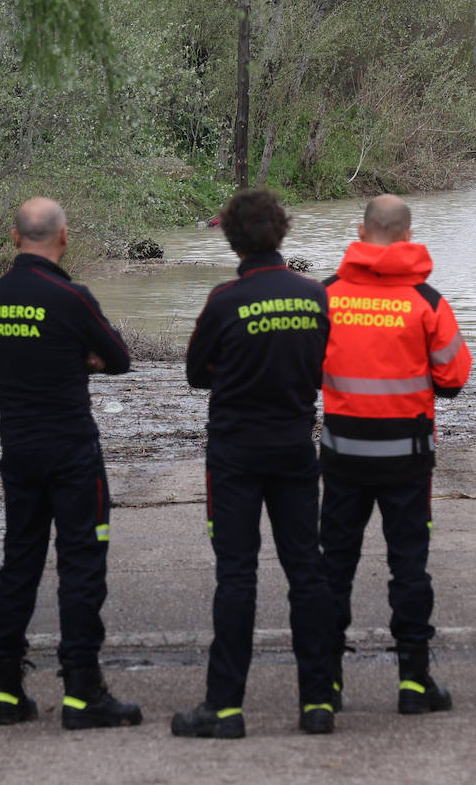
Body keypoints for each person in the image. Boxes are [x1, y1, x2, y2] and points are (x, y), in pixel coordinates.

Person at [172, 188, 338, 739]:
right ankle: (317, 702)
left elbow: (196, 373)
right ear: (282, 232)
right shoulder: (314, 295)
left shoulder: (223, 300)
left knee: (236, 576)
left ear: (231, 238)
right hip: (294, 448)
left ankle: (225, 709)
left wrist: (238, 372)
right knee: (307, 571)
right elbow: (322, 367)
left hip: (236, 455)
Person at [0, 197, 142, 730]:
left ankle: (6, 689)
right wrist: (81, 356)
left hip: (17, 450)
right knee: (80, 565)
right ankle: (82, 691)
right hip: (71, 452)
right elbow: (117, 357)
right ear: (64, 238)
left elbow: (18, 358)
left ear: (13, 237)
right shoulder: (71, 296)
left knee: (19, 562)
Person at [318, 194, 471, 715]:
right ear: (407, 236)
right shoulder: (427, 302)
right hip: (407, 460)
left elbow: (302, 369)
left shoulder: (327, 297)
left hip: (341, 459)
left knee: (333, 567)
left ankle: (327, 684)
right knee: (409, 565)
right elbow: (453, 378)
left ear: (361, 233)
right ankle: (414, 682)